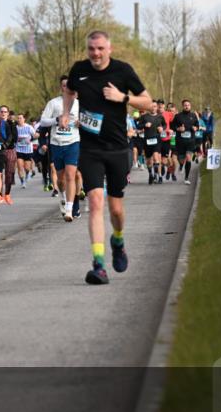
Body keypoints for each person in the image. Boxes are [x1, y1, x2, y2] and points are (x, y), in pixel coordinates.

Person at [60, 30, 152, 285]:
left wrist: (122, 97)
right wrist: (67, 112)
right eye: (91, 48)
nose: (96, 53)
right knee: (95, 203)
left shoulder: (123, 71)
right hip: (89, 150)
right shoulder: (79, 69)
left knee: (116, 209)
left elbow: (147, 102)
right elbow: (69, 90)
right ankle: (99, 265)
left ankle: (118, 240)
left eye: (100, 48)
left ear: (109, 49)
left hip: (117, 149)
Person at [40, 78, 82, 221]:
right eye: (64, 85)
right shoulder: (53, 103)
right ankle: (63, 197)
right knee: (61, 179)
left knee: (71, 175)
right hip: (57, 143)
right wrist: (56, 120)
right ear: (61, 87)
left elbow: (89, 121)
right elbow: (43, 121)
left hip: (73, 142)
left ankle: (69, 210)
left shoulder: (79, 104)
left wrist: (81, 123)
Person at [171, 99, 200, 185]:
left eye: (188, 105)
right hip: (180, 141)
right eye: (185, 105)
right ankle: (181, 165)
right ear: (182, 106)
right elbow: (172, 126)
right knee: (181, 159)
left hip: (190, 141)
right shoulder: (178, 116)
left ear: (190, 106)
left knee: (188, 158)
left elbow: (197, 125)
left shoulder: (193, 116)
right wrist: (178, 129)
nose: (187, 106)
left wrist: (196, 128)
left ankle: (186, 178)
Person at [139, 102, 165, 184]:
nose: (153, 108)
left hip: (157, 139)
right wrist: (145, 125)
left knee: (156, 158)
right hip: (147, 140)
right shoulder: (144, 117)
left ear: (157, 107)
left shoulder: (160, 117)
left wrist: (162, 128)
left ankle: (156, 175)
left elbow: (164, 125)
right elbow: (138, 126)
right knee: (149, 161)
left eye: (155, 106)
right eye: (152, 106)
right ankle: (151, 174)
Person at [0, 105, 18, 204]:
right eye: (1, 111)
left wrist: (13, 125)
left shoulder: (12, 124)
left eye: (5, 112)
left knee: (9, 174)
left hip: (10, 150)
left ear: (8, 113)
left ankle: (7, 194)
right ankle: (0, 195)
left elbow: (15, 138)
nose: (3, 113)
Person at [14, 113, 35, 188]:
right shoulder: (15, 128)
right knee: (20, 166)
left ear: (24, 119)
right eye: (18, 118)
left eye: (20, 118)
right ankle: (22, 182)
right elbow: (13, 137)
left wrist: (30, 139)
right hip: (18, 149)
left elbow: (35, 135)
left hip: (28, 150)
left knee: (27, 168)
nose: (19, 119)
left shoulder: (29, 127)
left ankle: (27, 174)